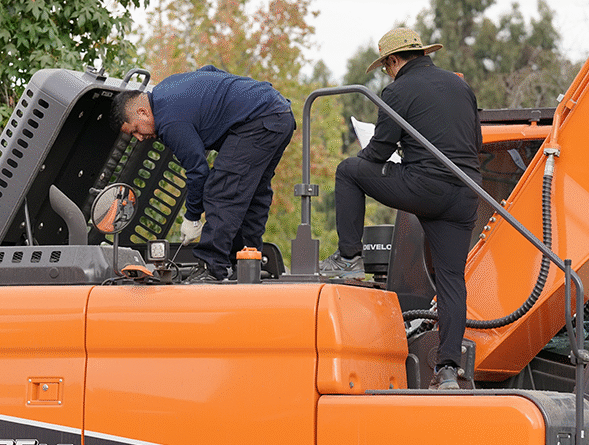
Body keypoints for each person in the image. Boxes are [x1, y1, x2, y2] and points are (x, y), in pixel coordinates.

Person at [319, 28, 482, 389]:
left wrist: (368, 159)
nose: (387, 74)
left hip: (425, 186)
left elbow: (378, 152)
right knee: (452, 280)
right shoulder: (461, 87)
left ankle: (349, 257)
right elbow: (476, 142)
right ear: (422, 53)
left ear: (393, 61)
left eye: (385, 68)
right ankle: (448, 370)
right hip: (466, 191)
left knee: (348, 171)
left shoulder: (398, 90)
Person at [111, 65, 295, 281]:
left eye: (135, 130)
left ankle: (211, 267)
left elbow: (198, 172)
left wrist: (192, 217)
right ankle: (247, 263)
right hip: (279, 115)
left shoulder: (168, 122)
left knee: (221, 189)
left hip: (259, 120)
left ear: (142, 112)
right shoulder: (167, 87)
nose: (139, 138)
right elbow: (210, 70)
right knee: (252, 193)